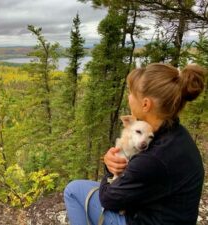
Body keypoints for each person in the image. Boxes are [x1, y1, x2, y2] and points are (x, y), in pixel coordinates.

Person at [64, 63, 206, 225]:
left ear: (146, 104)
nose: (128, 97)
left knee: (73, 190)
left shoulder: (154, 158)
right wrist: (114, 162)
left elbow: (108, 199)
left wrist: (109, 171)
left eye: (131, 93)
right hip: (169, 216)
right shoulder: (176, 135)